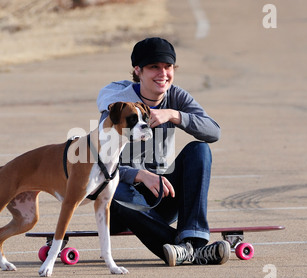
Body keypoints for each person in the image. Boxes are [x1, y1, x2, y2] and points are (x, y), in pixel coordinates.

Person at [97, 37, 230, 266]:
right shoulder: (119, 108)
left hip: (161, 197)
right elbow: (100, 163)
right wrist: (138, 174)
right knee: (114, 189)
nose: (163, 73)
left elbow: (214, 132)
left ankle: (194, 241)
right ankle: (187, 249)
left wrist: (174, 115)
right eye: (153, 67)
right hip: (123, 203)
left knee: (199, 149)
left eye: (167, 67)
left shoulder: (176, 97)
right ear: (138, 71)